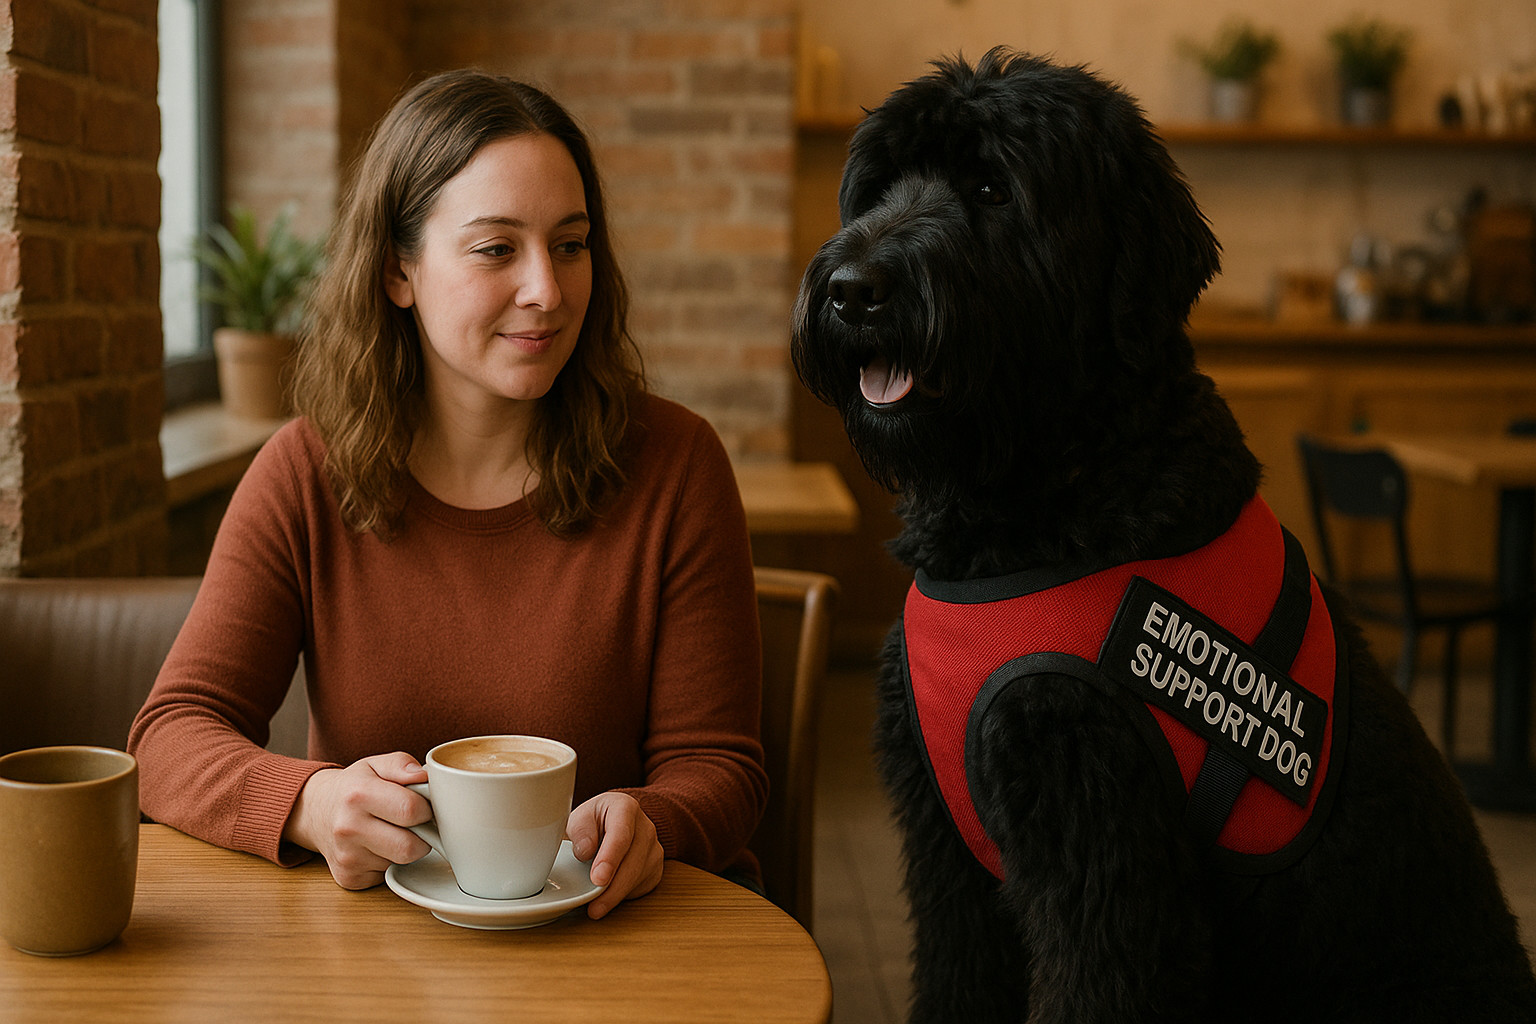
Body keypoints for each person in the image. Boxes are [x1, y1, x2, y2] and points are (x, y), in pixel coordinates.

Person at [128, 70, 768, 919]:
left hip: (610, 939)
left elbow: (721, 766)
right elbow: (170, 733)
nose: (547, 288)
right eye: (497, 248)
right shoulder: (303, 473)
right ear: (399, 270)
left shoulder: (677, 463)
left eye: (570, 244)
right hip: (372, 957)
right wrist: (311, 805)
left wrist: (655, 818)